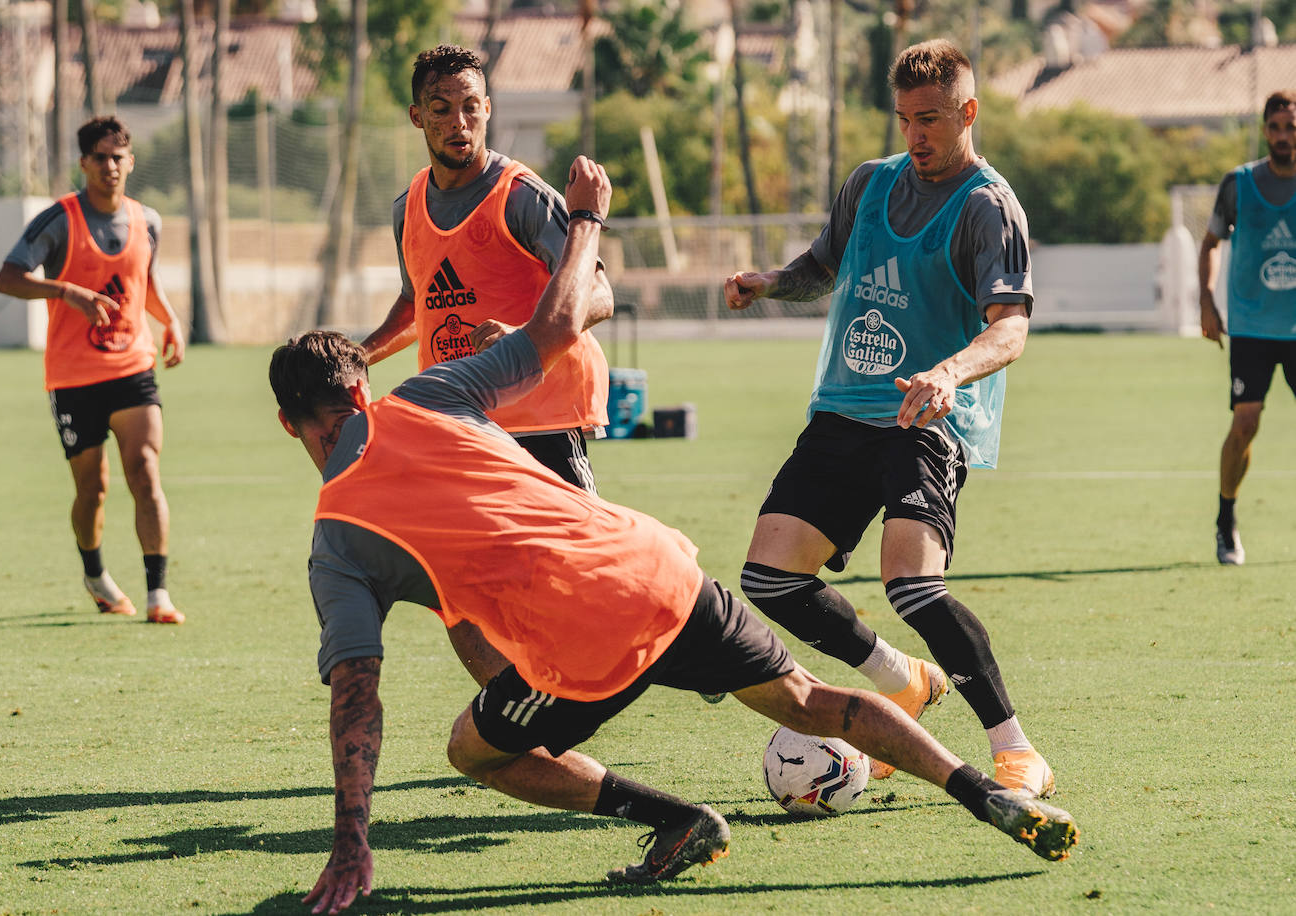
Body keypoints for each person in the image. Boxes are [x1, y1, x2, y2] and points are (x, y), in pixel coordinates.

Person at [272, 157, 1079, 915]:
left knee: (473, 753)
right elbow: (558, 326)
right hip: (657, 565)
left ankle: (674, 817)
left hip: (584, 638)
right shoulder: (431, 392)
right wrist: (585, 219)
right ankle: (984, 792)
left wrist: (351, 842)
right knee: (809, 701)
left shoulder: (338, 538)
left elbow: (356, 697)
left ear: (290, 424)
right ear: (363, 388)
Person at [724, 40, 1051, 796]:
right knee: (768, 581)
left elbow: (1011, 328)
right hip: (841, 412)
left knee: (912, 585)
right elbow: (823, 266)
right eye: (904, 119)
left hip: (925, 419)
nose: (916, 135)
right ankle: (899, 679)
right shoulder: (870, 184)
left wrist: (947, 373)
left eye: (931, 119)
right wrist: (769, 282)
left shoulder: (987, 206)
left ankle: (1014, 747)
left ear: (968, 112)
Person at [359, 44, 611, 494]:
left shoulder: (523, 197)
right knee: (468, 562)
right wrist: (358, 357)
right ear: (417, 116)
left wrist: (525, 335)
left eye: (471, 107)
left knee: (572, 559)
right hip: (458, 418)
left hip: (540, 425)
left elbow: (598, 294)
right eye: (442, 109)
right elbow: (420, 301)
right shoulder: (407, 207)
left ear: (488, 109)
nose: (459, 122)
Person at [0, 115, 185, 624]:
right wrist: (66, 291)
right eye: (99, 157)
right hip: (74, 377)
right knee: (92, 489)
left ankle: (157, 594)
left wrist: (171, 323)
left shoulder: (148, 220)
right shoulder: (58, 221)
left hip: (132, 366)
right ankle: (96, 574)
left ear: (131, 161)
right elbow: (8, 278)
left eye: (117, 157)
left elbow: (147, 279)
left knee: (145, 471)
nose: (109, 166)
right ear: (83, 163)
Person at [1197, 90, 1296, 566]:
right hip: (1253, 329)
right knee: (1246, 424)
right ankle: (1226, 520)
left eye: (1291, 128)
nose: (1282, 137)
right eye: (1275, 128)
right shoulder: (1238, 184)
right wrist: (1206, 302)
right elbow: (1210, 243)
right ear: (1264, 130)